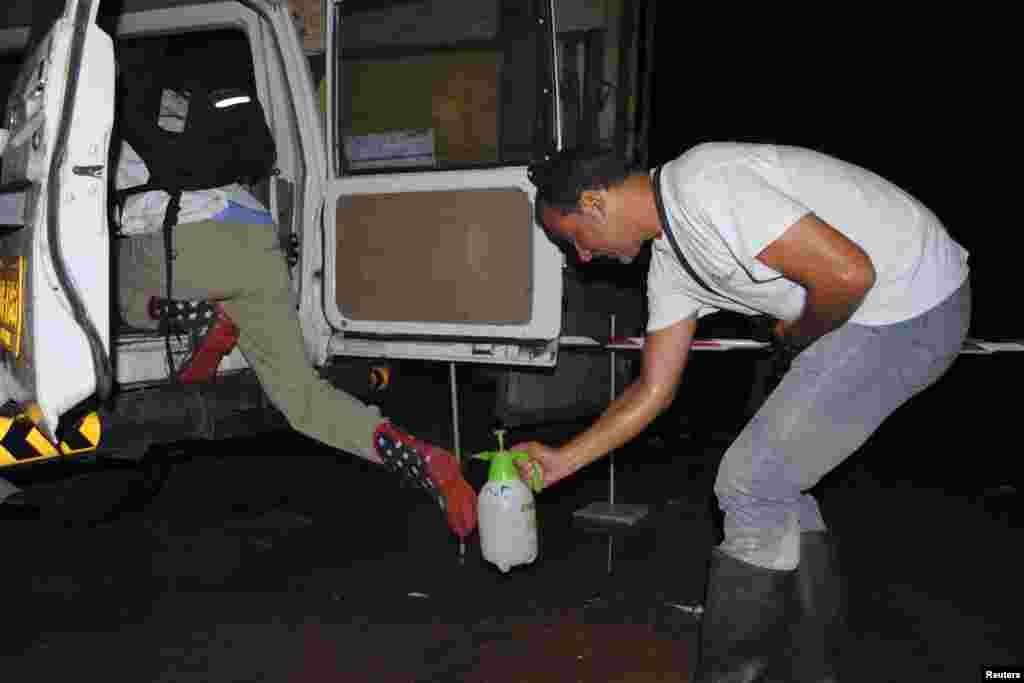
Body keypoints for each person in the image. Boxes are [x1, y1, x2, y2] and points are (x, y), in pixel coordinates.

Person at [519, 144, 970, 681]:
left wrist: (797, 337)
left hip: (910, 303)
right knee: (777, 487)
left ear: (594, 202)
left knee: (750, 484)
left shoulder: (704, 186)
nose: (583, 257)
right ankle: (811, 667)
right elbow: (652, 390)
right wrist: (562, 461)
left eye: (572, 238)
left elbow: (848, 275)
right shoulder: (671, 264)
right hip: (868, 315)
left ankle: (733, 674)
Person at [114, 85, 477, 541]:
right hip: (255, 237)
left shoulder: (115, 120)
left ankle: (196, 316)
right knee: (304, 399)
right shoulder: (194, 116)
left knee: (121, 294)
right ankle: (423, 459)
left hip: (188, 242)